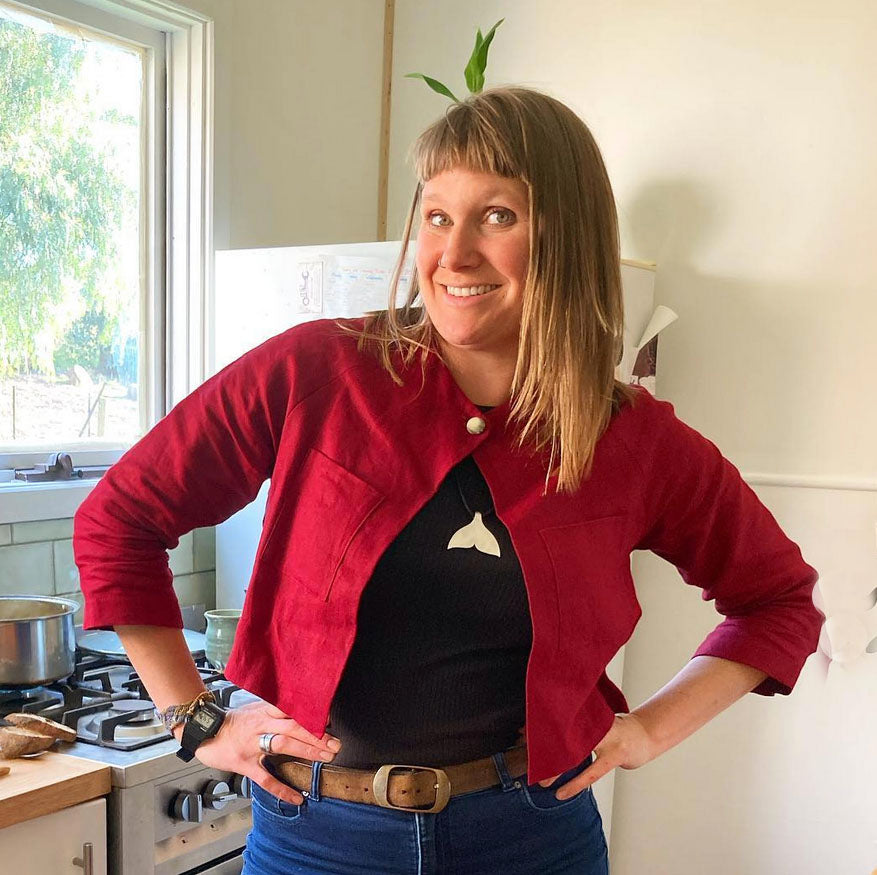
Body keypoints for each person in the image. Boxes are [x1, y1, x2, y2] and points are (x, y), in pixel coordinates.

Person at [74, 86, 821, 874]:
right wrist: (193, 716)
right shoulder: (314, 373)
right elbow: (119, 520)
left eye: (498, 215)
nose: (454, 254)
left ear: (567, 237)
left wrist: (645, 731)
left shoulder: (632, 438)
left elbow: (777, 599)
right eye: (437, 216)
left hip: (531, 838)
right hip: (317, 838)